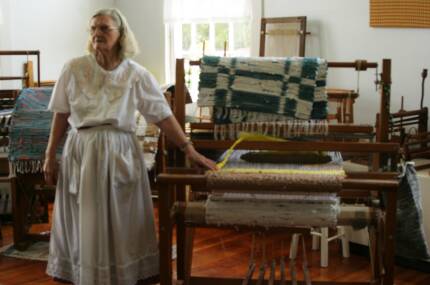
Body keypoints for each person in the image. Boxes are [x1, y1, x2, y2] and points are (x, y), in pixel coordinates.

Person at [43, 8, 216, 285]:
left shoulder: (136, 74)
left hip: (119, 150)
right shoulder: (73, 68)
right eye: (93, 29)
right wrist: (50, 154)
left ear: (121, 34)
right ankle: (84, 275)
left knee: (123, 219)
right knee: (83, 217)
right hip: (82, 151)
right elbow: (61, 114)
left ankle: (123, 275)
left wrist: (189, 149)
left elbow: (162, 116)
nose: (97, 34)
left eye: (104, 28)